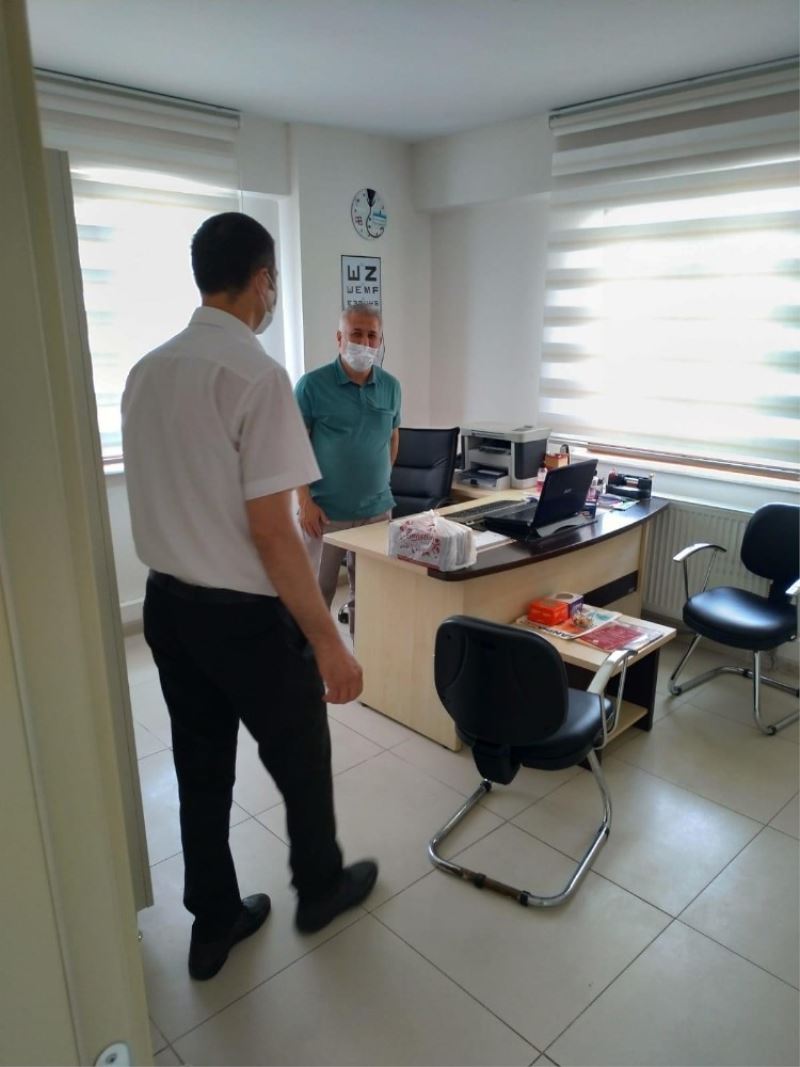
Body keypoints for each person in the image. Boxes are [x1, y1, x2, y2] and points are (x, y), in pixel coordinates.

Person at [121, 212, 378, 982]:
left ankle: (214, 921)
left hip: (168, 608)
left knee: (201, 765)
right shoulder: (255, 375)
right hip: (243, 620)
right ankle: (319, 888)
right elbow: (273, 532)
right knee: (301, 754)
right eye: (272, 282)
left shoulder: (147, 370)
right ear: (263, 280)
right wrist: (328, 639)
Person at [294, 304, 401, 634]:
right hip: (324, 514)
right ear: (339, 338)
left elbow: (392, 437)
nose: (365, 343)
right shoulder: (312, 385)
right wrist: (304, 502)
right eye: (356, 334)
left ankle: (362, 659)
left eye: (372, 336)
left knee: (370, 597)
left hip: (376, 513)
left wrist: (378, 481)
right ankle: (310, 664)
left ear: (380, 340)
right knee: (315, 597)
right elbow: (294, 448)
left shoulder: (391, 386)